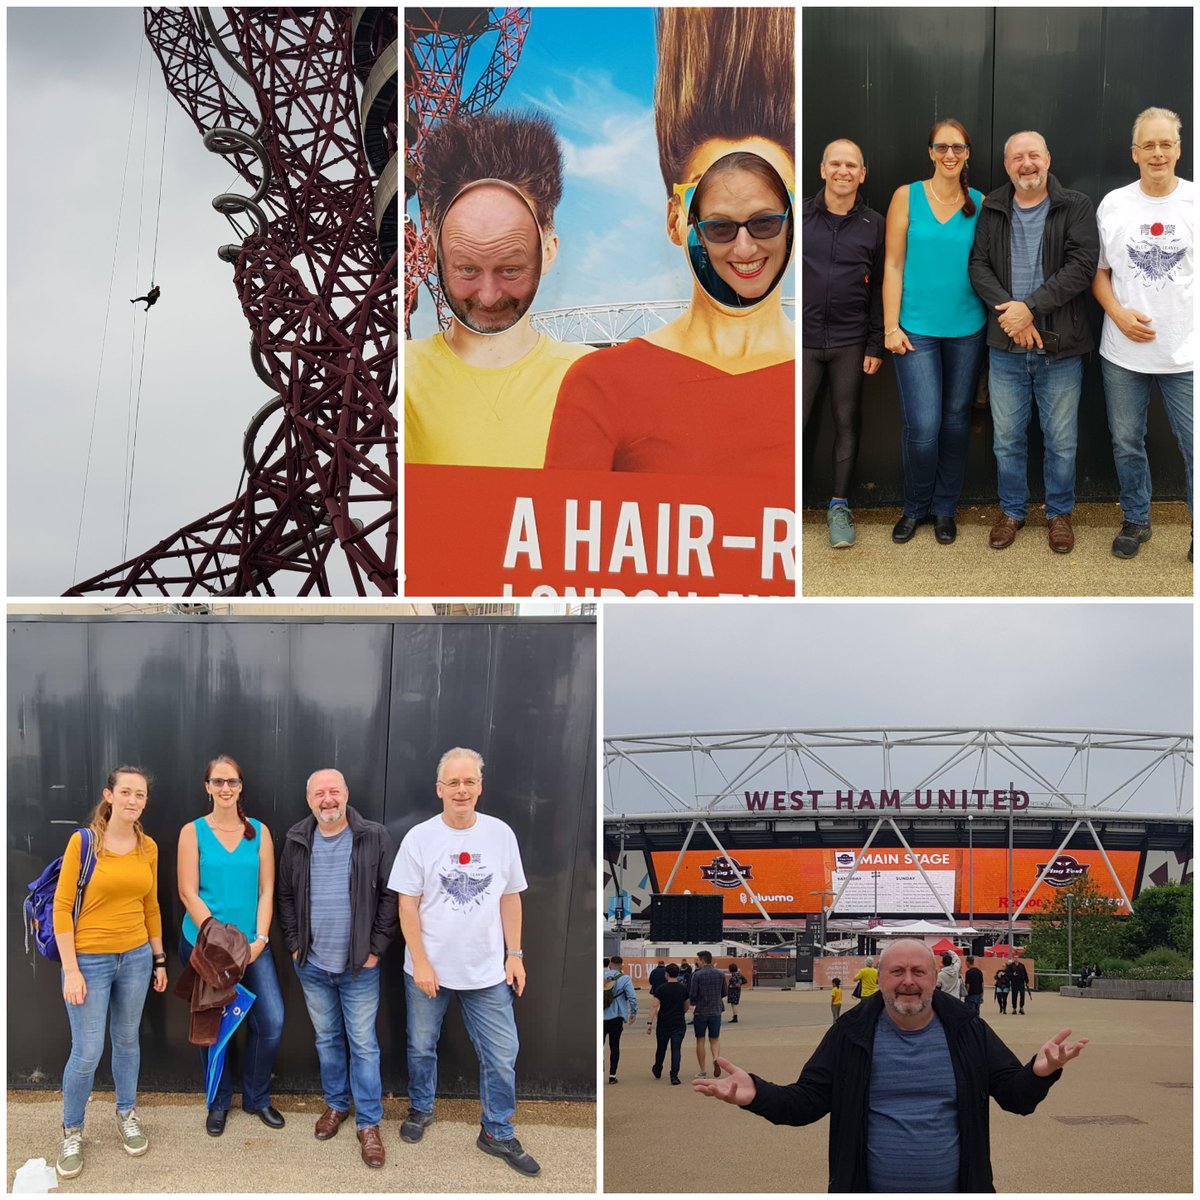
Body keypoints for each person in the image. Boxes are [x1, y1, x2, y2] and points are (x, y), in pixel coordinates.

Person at [544, 8, 794, 478]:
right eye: (718, 222)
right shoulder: (603, 386)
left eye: (766, 219)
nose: (744, 248)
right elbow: (560, 540)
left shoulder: (814, 375)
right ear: (677, 221)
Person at [693, 938, 1088, 1192]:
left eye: (919, 971)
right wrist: (756, 1094)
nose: (908, 981)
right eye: (897, 971)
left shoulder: (967, 1029)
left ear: (936, 979)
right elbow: (807, 1102)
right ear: (879, 978)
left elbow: (1014, 1096)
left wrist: (1040, 1071)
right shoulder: (851, 1032)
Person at [405, 113, 593, 467]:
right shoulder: (397, 379)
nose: (488, 296)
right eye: (467, 269)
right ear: (433, 253)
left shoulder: (597, 381)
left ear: (548, 250)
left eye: (510, 269)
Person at [388, 748, 540, 1176]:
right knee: (421, 1046)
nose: (461, 790)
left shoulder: (500, 834)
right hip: (427, 968)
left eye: (468, 781)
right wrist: (420, 962)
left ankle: (496, 1130)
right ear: (439, 790)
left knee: (502, 1052)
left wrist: (516, 954)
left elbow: (510, 897)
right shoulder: (419, 838)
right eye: (452, 783)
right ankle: (421, 1108)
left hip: (487, 971)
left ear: (480, 788)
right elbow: (407, 907)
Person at [969, 130, 1099, 554]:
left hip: (1059, 349)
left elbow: (1082, 267)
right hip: (1006, 347)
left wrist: (1030, 308)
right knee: (1007, 438)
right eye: (1017, 158)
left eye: (1034, 155)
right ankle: (1012, 511)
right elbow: (979, 266)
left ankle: (1059, 514)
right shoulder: (992, 206)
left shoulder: (1075, 205)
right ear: (1007, 165)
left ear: (1048, 158)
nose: (1027, 164)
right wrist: (1012, 312)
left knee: (1061, 440)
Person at [277, 768, 399, 1168]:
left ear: (346, 793)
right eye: (319, 793)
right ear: (309, 799)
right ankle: (335, 1105)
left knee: (363, 1045)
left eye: (333, 791)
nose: (327, 799)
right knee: (327, 1040)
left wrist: (376, 948)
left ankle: (368, 1123)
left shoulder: (373, 836)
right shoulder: (297, 840)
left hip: (359, 967)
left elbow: (390, 896)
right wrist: (295, 945)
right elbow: (286, 897)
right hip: (312, 965)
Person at [53, 767, 167, 1180]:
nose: (134, 800)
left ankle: (126, 1113)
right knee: (86, 1052)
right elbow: (61, 907)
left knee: (126, 1041)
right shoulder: (84, 842)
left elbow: (150, 906)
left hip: (136, 957)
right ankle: (72, 1129)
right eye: (126, 792)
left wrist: (159, 960)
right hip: (89, 961)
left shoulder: (148, 846)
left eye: (140, 794)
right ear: (109, 795)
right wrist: (71, 969)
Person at [1093, 106, 1193, 561]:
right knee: (1127, 442)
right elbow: (1098, 273)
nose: (1157, 153)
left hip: (1185, 356)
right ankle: (1136, 520)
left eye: (1165, 144)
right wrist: (1116, 312)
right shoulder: (1114, 204)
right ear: (1135, 153)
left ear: (1179, 149)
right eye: (1148, 145)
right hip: (1123, 356)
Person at [883, 119, 987, 546]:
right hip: (915, 331)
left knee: (956, 422)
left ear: (967, 154)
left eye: (958, 148)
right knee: (923, 426)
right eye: (942, 147)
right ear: (930, 151)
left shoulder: (979, 202)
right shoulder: (905, 197)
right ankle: (915, 507)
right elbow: (892, 265)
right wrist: (890, 326)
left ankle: (945, 509)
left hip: (967, 329)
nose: (949, 155)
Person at [177, 755, 284, 1137]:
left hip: (252, 947)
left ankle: (256, 1098)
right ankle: (218, 1102)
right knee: (212, 1026)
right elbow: (188, 891)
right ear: (207, 787)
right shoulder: (193, 832)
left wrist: (260, 940)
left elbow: (267, 889)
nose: (225, 789)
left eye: (232, 782)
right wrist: (216, 939)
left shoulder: (259, 831)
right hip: (206, 947)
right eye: (218, 782)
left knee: (271, 1022)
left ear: (241, 787)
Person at [803, 138, 885, 547]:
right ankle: (784, 507)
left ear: (862, 173)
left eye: (852, 165)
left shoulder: (875, 224)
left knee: (847, 422)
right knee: (796, 425)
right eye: (835, 163)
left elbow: (880, 290)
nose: (843, 171)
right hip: (801, 342)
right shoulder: (797, 218)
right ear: (822, 169)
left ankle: (838, 507)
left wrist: (875, 345)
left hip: (851, 343)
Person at [647, 962, 690, 1084]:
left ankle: (658, 1068)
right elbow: (687, 1005)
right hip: (678, 1022)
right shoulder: (683, 988)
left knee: (661, 1047)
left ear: (666, 974)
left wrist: (649, 1022)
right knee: (676, 1049)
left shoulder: (661, 988)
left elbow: (654, 1006)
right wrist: (681, 1013)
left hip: (664, 1022)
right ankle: (674, 1075)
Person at [688, 950, 728, 1079]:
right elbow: (724, 992)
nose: (697, 962)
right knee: (714, 1039)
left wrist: (695, 1001)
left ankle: (703, 1070)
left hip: (701, 1011)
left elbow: (693, 994)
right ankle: (716, 1058)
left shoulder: (697, 975)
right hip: (716, 1010)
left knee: (700, 1039)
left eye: (698, 960)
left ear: (703, 961)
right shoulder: (720, 974)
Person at [603, 956, 637, 1083]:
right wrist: (633, 1013)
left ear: (610, 965)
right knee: (614, 1046)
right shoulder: (625, 978)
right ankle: (612, 1075)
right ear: (622, 966)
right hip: (616, 1015)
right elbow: (632, 997)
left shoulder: (601, 976)